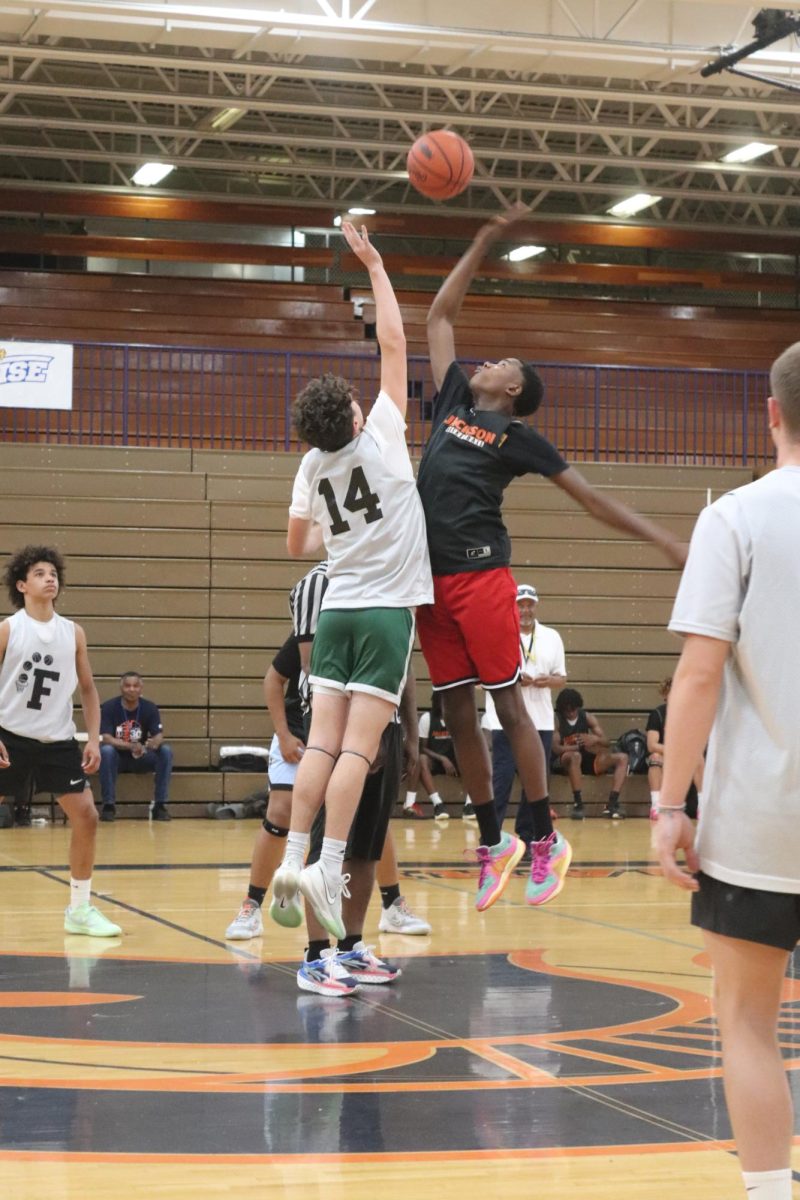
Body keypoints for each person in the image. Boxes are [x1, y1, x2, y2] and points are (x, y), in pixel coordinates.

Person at [416, 202, 685, 908]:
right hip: (429, 581)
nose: (490, 360)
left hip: (480, 574)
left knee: (507, 706)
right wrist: (482, 237)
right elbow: (439, 319)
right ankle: (492, 840)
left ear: (513, 392)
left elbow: (591, 500)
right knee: (456, 716)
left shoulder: (518, 439)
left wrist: (662, 540)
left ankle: (543, 838)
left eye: (504, 364)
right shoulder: (449, 402)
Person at [655, 340, 800, 1200]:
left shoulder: (737, 517)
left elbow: (700, 673)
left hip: (760, 821)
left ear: (772, 413)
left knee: (748, 1021)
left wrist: (671, 803)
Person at [270, 222, 433, 942]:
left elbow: (296, 544)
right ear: (356, 413)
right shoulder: (385, 437)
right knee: (360, 755)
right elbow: (395, 344)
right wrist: (373, 263)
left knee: (323, 746)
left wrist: (340, 534)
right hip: (385, 615)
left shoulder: (312, 465)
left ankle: (296, 853)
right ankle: (329, 863)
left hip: (334, 608)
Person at [0, 545, 121, 936]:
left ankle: (80, 910)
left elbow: (87, 688)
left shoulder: (73, 632)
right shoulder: (8, 629)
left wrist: (93, 737)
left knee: (86, 816)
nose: (49, 578)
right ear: (21, 584)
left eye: (53, 573)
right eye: (39, 573)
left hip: (57, 741)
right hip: (9, 736)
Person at [483, 583, 566, 844]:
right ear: (513, 606)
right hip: (504, 718)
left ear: (536, 605)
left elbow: (562, 678)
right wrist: (514, 679)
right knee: (502, 778)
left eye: (529, 604)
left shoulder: (552, 636)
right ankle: (491, 838)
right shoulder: (498, 634)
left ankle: (529, 835)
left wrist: (547, 680)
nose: (525, 609)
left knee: (536, 780)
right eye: (520, 604)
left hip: (539, 719)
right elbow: (482, 677)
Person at [99, 672, 173, 821]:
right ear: (121, 688)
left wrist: (154, 743)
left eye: (135, 686)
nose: (131, 689)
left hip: (140, 757)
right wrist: (130, 746)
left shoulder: (150, 707)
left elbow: (158, 734)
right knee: (106, 751)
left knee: (165, 751)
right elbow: (106, 738)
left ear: (141, 688)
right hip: (117, 758)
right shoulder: (109, 707)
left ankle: (160, 805)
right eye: (127, 686)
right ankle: (108, 806)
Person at [552, 688, 629, 819]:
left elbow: (607, 742)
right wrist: (577, 746)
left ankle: (612, 802)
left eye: (573, 709)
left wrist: (595, 739)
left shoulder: (587, 717)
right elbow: (556, 749)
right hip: (563, 760)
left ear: (578, 707)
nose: (570, 713)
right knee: (575, 756)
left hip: (585, 758)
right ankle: (578, 803)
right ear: (561, 709)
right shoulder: (556, 719)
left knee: (623, 758)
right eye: (567, 710)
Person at [402, 691, 472, 821]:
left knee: (470, 754)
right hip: (434, 760)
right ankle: (437, 804)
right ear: (436, 702)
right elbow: (421, 747)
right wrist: (442, 759)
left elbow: (463, 743)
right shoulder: (427, 718)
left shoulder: (456, 717)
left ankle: (469, 805)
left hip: (454, 760)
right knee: (421, 758)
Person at [646, 676, 703, 821]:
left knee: (697, 756)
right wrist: (674, 750)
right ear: (666, 694)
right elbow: (652, 744)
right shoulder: (658, 714)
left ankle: (702, 805)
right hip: (666, 756)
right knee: (655, 757)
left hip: (684, 757)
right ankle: (656, 806)